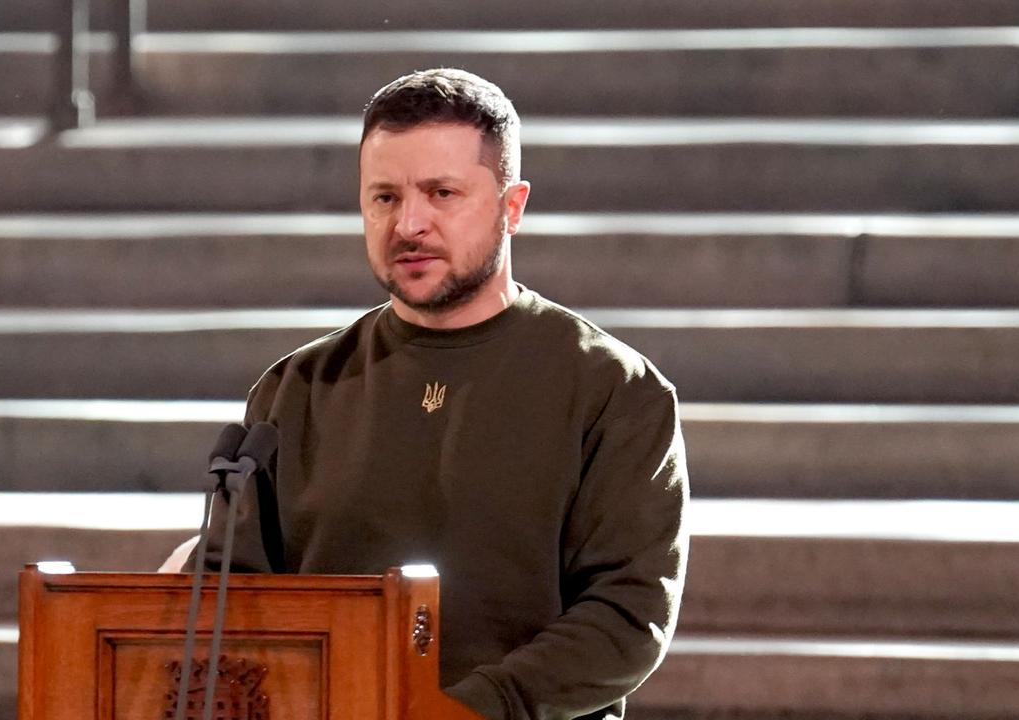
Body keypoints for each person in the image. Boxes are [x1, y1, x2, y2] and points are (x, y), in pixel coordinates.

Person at [167, 68, 689, 720]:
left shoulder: (614, 390)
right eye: (384, 198)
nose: (408, 223)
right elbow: (231, 595)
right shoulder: (296, 388)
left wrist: (468, 710)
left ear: (513, 206)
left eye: (442, 193)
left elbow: (626, 617)